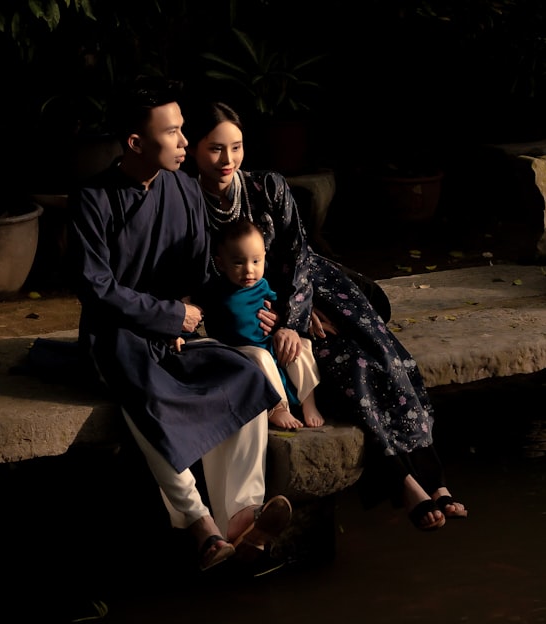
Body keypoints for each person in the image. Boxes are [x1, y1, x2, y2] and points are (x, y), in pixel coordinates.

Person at [185, 100, 468, 531]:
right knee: (348, 372)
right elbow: (204, 280)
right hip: (253, 312)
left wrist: (295, 320)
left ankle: (437, 477)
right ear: (193, 149)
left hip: (310, 293)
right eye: (215, 149)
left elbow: (298, 254)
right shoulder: (185, 203)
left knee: (385, 356)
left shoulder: (268, 186)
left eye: (236, 147)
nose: (228, 160)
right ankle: (406, 480)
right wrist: (268, 319)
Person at [66, 77, 293, 572]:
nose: (186, 142)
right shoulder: (91, 199)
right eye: (172, 133)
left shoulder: (185, 189)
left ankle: (241, 517)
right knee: (147, 390)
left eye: (183, 129)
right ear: (135, 143)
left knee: (246, 375)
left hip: (177, 332)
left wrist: (205, 310)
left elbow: (200, 274)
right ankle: (199, 523)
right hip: (116, 335)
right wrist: (169, 314)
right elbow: (97, 288)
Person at [201, 217, 325, 430]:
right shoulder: (217, 292)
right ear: (221, 263)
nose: (249, 270)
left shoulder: (263, 286)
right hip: (240, 351)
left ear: (264, 258)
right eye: (238, 262)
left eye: (255, 261)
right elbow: (201, 309)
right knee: (261, 357)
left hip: (267, 342)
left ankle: (309, 402)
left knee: (301, 345)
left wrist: (286, 322)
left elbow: (284, 306)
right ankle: (277, 407)